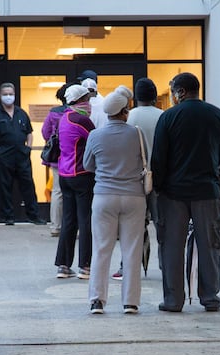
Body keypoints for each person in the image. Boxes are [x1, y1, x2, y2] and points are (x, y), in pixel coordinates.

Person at [150, 72, 220, 312]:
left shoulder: (168, 117)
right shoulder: (217, 115)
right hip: (207, 189)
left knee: (172, 246)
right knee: (210, 245)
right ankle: (210, 297)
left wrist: (159, 187)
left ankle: (174, 300)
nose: (173, 95)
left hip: (173, 193)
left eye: (173, 90)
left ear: (181, 92)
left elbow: (158, 158)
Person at [83, 85, 147, 314]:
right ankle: (130, 302)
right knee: (131, 249)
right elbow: (145, 161)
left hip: (103, 197)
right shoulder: (137, 134)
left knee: (101, 249)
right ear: (124, 112)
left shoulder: (95, 135)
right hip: (134, 198)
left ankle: (97, 300)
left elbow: (87, 165)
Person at [111, 77, 164, 281]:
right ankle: (165, 264)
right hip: (159, 180)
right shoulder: (164, 116)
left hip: (133, 180)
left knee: (131, 227)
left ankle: (127, 266)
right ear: (154, 95)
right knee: (163, 225)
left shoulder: (129, 117)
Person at [0, 82, 45, 226]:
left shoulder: (21, 113)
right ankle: (8, 216)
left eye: (10, 94)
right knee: (5, 186)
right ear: (0, 96)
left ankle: (33, 215)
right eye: (5, 94)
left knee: (28, 185)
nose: (8, 97)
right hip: (5, 155)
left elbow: (29, 132)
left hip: (22, 155)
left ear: (14, 95)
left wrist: (28, 148)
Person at [54, 84, 96, 279]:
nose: (89, 103)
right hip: (82, 175)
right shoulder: (82, 120)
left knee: (68, 221)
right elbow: (96, 141)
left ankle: (63, 265)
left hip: (65, 175)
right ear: (81, 101)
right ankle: (85, 266)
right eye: (87, 99)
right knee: (85, 219)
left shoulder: (64, 118)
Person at [41, 83, 71, 237]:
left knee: (57, 192)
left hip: (57, 157)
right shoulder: (76, 113)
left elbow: (45, 132)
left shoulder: (53, 113)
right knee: (73, 192)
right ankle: (72, 226)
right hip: (73, 157)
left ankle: (55, 227)